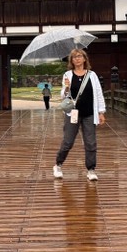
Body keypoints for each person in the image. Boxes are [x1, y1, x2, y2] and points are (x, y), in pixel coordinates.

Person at [53, 48, 106, 181]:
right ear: (71, 60)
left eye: (79, 56)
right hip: (73, 113)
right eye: (74, 57)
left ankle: (91, 169)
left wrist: (101, 112)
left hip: (89, 113)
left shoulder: (92, 75)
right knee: (68, 142)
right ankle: (58, 164)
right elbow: (64, 96)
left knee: (90, 143)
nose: (77, 59)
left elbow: (98, 93)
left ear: (84, 59)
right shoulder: (67, 75)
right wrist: (66, 87)